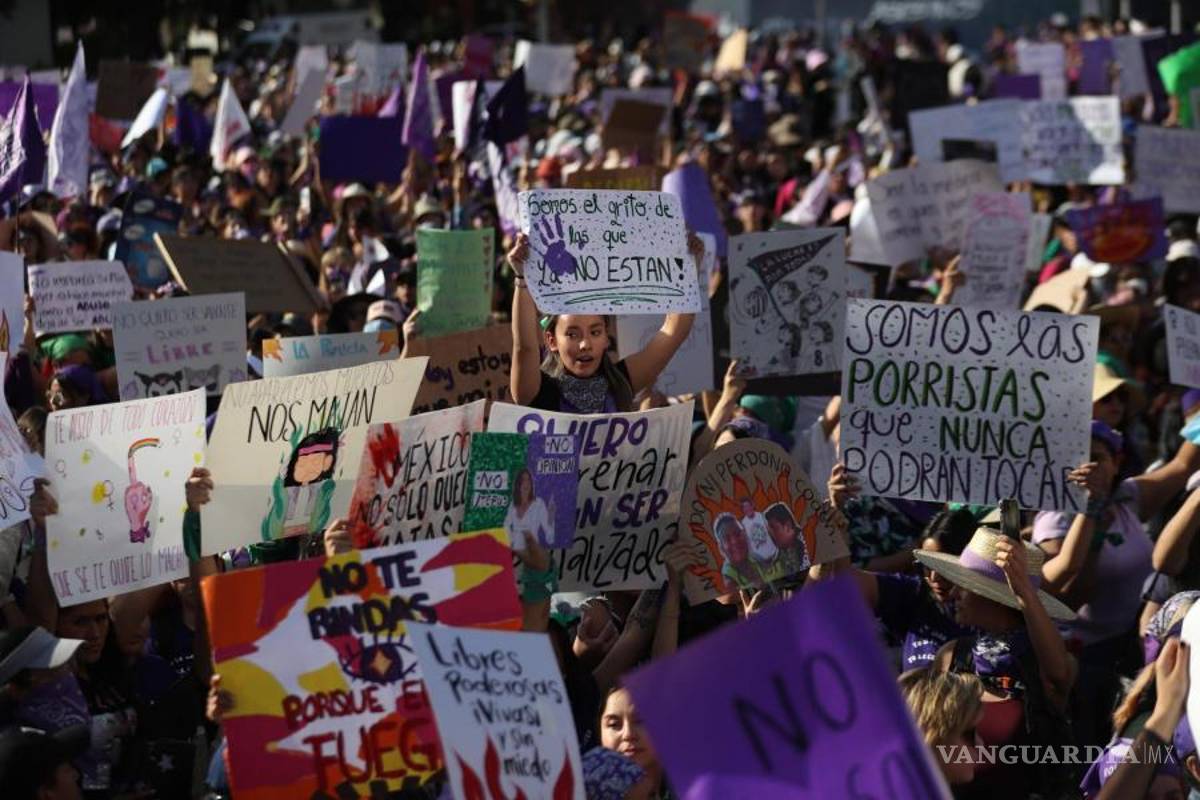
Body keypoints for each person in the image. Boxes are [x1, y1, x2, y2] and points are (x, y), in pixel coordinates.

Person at [919, 528, 1078, 799]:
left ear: (993, 596)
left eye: (964, 585)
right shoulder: (951, 656)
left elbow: (1059, 673)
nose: (953, 592)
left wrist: (1024, 593)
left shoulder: (1041, 663)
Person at [506, 232, 701, 414]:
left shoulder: (620, 383)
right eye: (572, 334)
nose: (585, 344)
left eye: (595, 332)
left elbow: (673, 333)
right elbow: (525, 348)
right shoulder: (537, 391)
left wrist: (688, 272)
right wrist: (522, 277)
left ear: (607, 338)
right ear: (552, 341)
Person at [504, 468, 555, 549]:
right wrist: (512, 540)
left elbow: (550, 537)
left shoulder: (538, 504)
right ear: (518, 484)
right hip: (516, 552)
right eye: (523, 480)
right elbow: (506, 525)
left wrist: (551, 515)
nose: (526, 483)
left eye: (528, 480)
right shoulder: (513, 504)